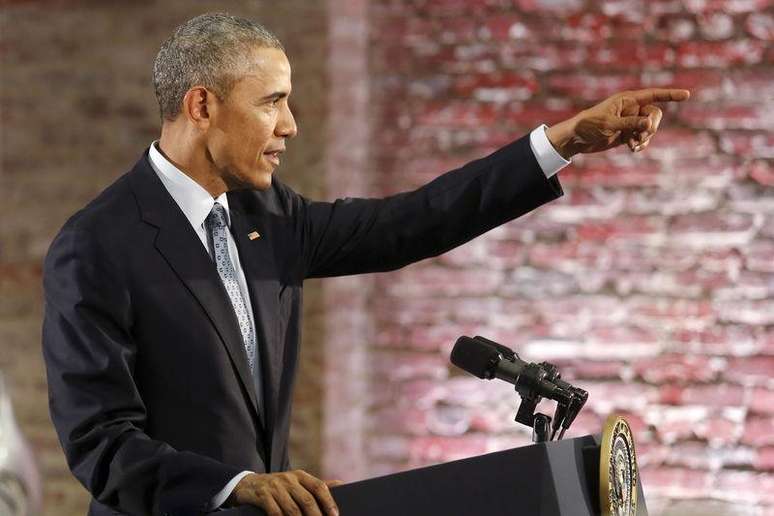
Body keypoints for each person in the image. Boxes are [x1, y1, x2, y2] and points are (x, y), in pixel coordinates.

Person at [41, 12, 689, 516]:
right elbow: (102, 446)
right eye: (271, 101)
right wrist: (239, 487)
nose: (290, 125)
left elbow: (413, 221)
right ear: (202, 104)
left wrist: (562, 141)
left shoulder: (268, 218)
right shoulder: (97, 245)